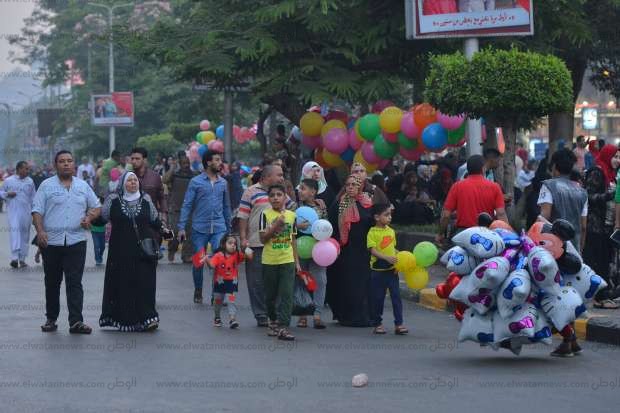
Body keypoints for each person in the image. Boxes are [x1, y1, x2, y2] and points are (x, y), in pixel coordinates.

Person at [33, 150, 101, 334]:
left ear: (74, 164)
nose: (66, 164)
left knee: (74, 282)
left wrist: (89, 218)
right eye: (62, 161)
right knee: (52, 282)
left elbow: (96, 206)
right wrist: (40, 231)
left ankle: (76, 322)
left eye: (69, 161)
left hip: (76, 241)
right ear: (56, 165)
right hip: (51, 242)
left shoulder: (83, 186)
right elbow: (37, 211)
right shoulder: (46, 186)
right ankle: (51, 319)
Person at [99, 172, 167, 331]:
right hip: (120, 251)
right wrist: (87, 219)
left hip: (144, 250)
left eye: (135, 180)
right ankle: (126, 320)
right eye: (129, 180)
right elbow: (102, 218)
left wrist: (165, 231)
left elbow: (154, 220)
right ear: (122, 183)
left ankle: (148, 318)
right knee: (124, 283)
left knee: (145, 283)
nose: (133, 183)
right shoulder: (113, 200)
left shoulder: (146, 200)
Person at [238, 165, 296, 326]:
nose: (282, 178)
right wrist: (243, 238)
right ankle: (261, 314)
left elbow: (293, 210)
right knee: (256, 282)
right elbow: (242, 216)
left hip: (279, 244)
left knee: (276, 282)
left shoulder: (280, 193)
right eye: (279, 175)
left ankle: (276, 315)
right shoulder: (250, 191)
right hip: (256, 243)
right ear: (266, 177)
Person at [178, 151, 231, 304]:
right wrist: (181, 227)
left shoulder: (223, 183)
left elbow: (226, 206)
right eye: (217, 160)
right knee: (198, 262)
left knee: (219, 260)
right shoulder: (195, 182)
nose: (220, 163)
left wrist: (229, 230)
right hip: (199, 228)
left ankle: (217, 294)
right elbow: (187, 205)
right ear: (208, 163)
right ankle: (198, 290)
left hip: (219, 228)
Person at [327, 174, 373, 327]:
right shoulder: (340, 204)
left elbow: (373, 224)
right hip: (346, 250)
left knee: (362, 283)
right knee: (347, 282)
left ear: (361, 186)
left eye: (354, 184)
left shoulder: (367, 203)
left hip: (363, 250)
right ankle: (345, 316)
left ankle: (362, 316)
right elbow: (332, 227)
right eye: (348, 185)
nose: (351, 187)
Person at [259, 184, 300, 341]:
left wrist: (297, 262)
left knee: (287, 294)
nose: (275, 198)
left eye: (279, 194)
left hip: (287, 260)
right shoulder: (265, 215)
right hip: (269, 260)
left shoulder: (292, 216)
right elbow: (263, 239)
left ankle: (283, 327)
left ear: (284, 197)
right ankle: (273, 320)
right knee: (270, 295)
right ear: (268, 199)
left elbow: (293, 240)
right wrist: (276, 225)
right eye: (272, 195)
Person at [436, 155, 508, 244]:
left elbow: (446, 215)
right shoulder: (495, 187)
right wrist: (507, 235)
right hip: (486, 235)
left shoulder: (457, 186)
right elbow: (501, 213)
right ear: (483, 168)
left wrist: (440, 233)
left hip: (463, 234)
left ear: (468, 169)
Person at [582, 145, 620, 309]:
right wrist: (609, 195)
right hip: (594, 226)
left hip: (606, 226)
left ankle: (602, 295)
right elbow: (588, 196)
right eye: (615, 156)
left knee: (604, 261)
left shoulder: (611, 175)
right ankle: (599, 297)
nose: (617, 160)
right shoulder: (597, 172)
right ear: (606, 156)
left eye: (619, 157)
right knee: (597, 261)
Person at [368, 203, 408, 335]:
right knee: (378, 298)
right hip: (378, 272)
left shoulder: (391, 231)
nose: (389, 217)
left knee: (396, 297)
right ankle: (377, 324)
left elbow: (393, 248)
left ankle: (399, 324)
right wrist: (386, 258)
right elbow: (372, 250)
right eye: (386, 215)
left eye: (390, 215)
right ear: (377, 217)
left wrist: (400, 256)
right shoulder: (372, 232)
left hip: (392, 271)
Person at [538, 149, 588, 252]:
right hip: (574, 248)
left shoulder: (548, 186)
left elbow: (543, 218)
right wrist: (580, 250)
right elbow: (583, 227)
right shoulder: (582, 192)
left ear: (554, 166)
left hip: (552, 248)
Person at [295, 179, 328, 329]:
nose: (300, 191)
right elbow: (289, 226)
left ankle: (317, 314)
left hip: (318, 249)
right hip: (300, 248)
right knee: (302, 279)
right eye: (300, 188)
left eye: (303, 188)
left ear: (313, 192)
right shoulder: (294, 206)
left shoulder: (321, 207)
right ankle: (302, 314)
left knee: (320, 280)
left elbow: (326, 226)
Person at [204, 234, 245, 329]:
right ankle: (217, 317)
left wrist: (246, 247)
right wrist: (207, 260)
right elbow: (212, 266)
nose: (233, 245)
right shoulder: (218, 255)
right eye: (230, 243)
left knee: (231, 300)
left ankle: (232, 319)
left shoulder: (237, 255)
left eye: (234, 244)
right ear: (223, 244)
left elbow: (247, 256)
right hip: (219, 282)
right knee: (218, 301)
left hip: (231, 283)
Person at [0, 161, 36, 268]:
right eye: (25, 169)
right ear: (19, 169)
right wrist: (7, 194)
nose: (27, 171)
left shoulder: (30, 181)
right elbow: (1, 193)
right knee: (15, 233)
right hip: (13, 212)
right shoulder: (8, 180)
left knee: (25, 236)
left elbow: (34, 197)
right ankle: (14, 258)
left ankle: (22, 259)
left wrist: (35, 213)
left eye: (28, 169)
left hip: (26, 212)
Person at [163, 156, 197, 263]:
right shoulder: (174, 175)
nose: (186, 165)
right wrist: (173, 167)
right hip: (175, 209)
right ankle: (172, 250)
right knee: (174, 231)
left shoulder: (194, 175)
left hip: (190, 209)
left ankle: (186, 255)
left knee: (189, 232)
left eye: (187, 163)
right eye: (183, 163)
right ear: (180, 164)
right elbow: (164, 179)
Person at [130, 147, 167, 224]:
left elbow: (162, 198)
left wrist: (164, 216)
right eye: (132, 159)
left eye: (137, 159)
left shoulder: (155, 177)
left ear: (144, 160)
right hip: (132, 220)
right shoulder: (128, 178)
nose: (133, 161)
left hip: (152, 220)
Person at [90, 196, 107, 266]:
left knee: (102, 246)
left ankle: (100, 256)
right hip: (94, 230)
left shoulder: (104, 209)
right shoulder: (93, 208)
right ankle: (98, 260)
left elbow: (107, 218)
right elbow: (89, 217)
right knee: (96, 246)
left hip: (102, 230)